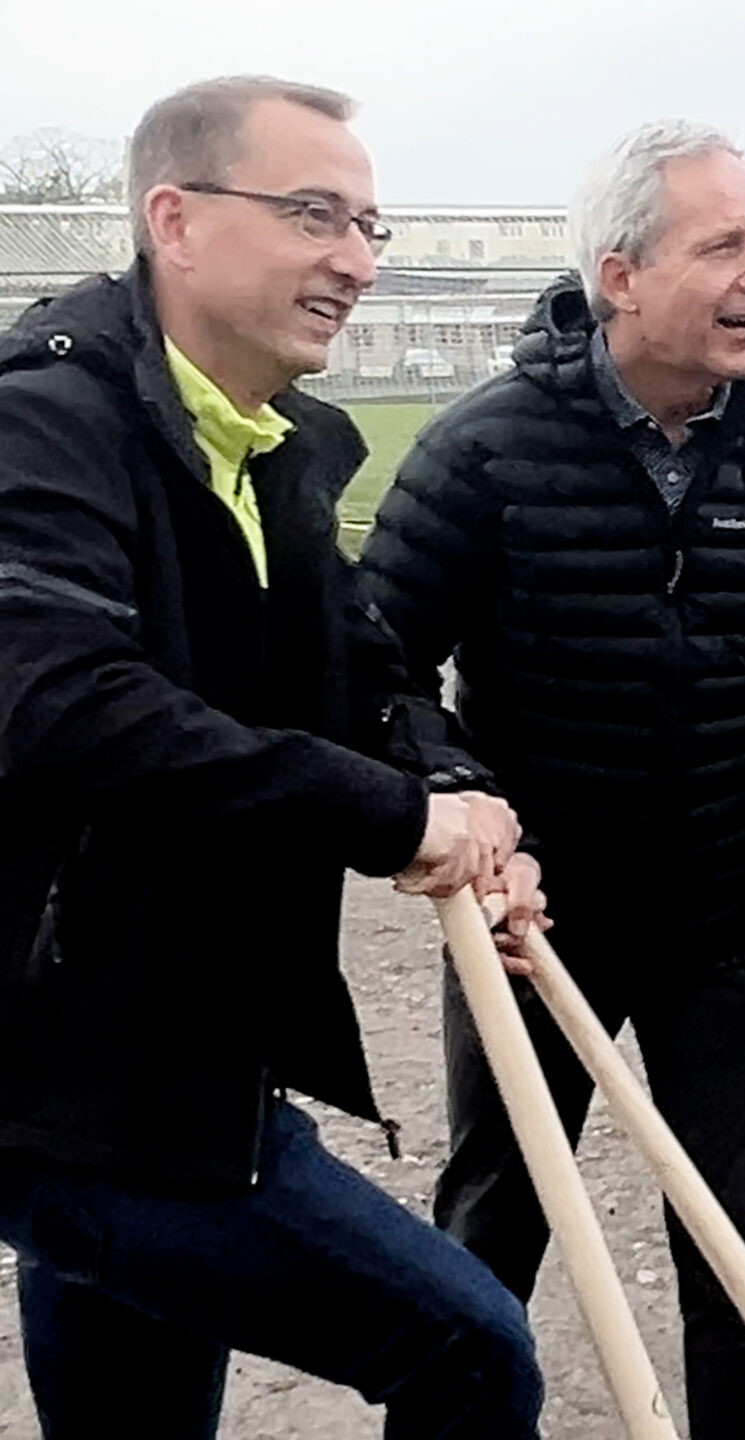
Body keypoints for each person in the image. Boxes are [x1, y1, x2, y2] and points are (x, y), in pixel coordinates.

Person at [359, 120, 745, 1440]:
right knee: (493, 1219)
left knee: (738, 1235)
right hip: (531, 933)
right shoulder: (483, 450)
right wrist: (464, 818)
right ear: (619, 275)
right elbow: (372, 667)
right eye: (726, 243)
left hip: (729, 926)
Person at [0, 75, 543, 1438]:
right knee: (470, 1350)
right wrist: (392, 819)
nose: (356, 260)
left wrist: (461, 795)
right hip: (71, 1080)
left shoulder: (276, 443)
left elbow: (363, 669)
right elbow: (68, 706)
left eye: (369, 224)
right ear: (174, 220)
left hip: (180, 1059)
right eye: (314, 216)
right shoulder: (44, 426)